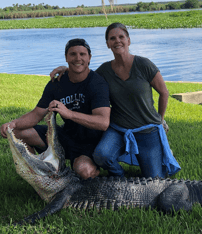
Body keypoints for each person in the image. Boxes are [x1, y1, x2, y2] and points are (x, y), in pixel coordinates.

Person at [50, 23, 181, 178]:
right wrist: (68, 69)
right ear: (108, 44)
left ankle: (158, 153)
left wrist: (160, 120)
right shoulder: (105, 71)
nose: (117, 41)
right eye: (112, 38)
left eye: (121, 37)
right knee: (101, 155)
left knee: (155, 179)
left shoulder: (144, 64)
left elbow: (164, 93)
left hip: (147, 129)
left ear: (128, 40)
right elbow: (85, 75)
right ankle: (118, 176)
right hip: (118, 129)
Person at [1, 38, 111, 180]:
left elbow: (102, 122)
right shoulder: (57, 83)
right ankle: (41, 175)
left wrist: (70, 114)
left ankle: (88, 169)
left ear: (89, 58)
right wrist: (12, 124)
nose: (78, 58)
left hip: (90, 143)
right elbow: (36, 114)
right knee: (16, 132)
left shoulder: (97, 83)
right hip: (64, 137)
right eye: (72, 54)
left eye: (82, 54)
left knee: (84, 171)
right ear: (66, 57)